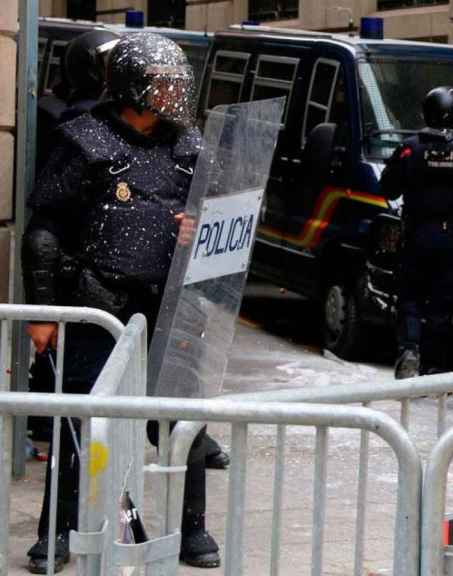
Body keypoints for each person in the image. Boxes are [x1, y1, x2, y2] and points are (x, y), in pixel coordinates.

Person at [22, 32, 220, 572]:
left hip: (170, 306)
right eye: (163, 83)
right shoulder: (84, 141)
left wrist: (197, 230)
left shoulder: (190, 147)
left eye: (179, 82)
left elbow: (226, 223)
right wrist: (41, 312)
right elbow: (44, 231)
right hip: (97, 306)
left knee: (183, 425)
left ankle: (191, 531)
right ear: (132, 86)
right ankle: (58, 533)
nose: (174, 92)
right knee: (81, 426)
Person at [381, 86, 453, 379]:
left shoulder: (409, 148)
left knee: (409, 298)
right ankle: (434, 366)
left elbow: (388, 188)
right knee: (441, 306)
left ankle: (409, 349)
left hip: (416, 235)